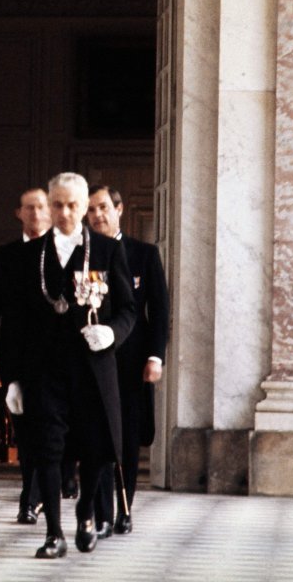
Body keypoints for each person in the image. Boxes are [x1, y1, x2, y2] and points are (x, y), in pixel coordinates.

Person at [1, 172, 135, 559]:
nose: (64, 212)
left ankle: (85, 513)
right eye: (56, 204)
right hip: (44, 370)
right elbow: (16, 322)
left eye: (73, 205)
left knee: (95, 449)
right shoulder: (30, 256)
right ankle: (54, 534)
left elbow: (128, 309)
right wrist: (12, 379)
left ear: (85, 207)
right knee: (48, 448)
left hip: (92, 368)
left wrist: (112, 333)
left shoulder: (108, 251)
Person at [86, 184, 170, 536]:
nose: (98, 215)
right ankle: (102, 510)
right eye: (91, 210)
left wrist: (155, 356)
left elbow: (159, 309)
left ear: (118, 209)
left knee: (129, 436)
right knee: (99, 434)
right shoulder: (84, 254)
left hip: (133, 360)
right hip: (94, 360)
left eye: (103, 207)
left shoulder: (144, 254)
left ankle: (124, 507)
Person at [0, 187, 51, 524]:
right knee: (25, 428)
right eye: (29, 208)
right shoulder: (4, 255)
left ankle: (34, 496)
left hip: (57, 356)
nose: (35, 214)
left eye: (41, 207)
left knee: (50, 427)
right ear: (18, 213)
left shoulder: (66, 251)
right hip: (18, 356)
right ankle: (33, 492)